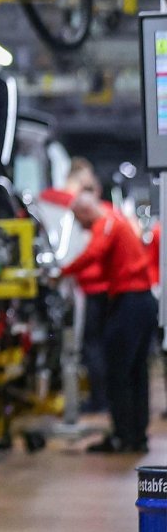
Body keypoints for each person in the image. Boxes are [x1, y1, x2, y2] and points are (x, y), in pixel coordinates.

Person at [58, 159, 156, 453]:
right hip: (143, 302)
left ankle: (123, 436)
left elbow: (93, 254)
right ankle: (136, 435)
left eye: (81, 222)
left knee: (118, 372)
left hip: (130, 304)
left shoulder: (106, 223)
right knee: (137, 372)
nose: (83, 228)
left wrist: (61, 272)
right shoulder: (116, 219)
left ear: (86, 212)